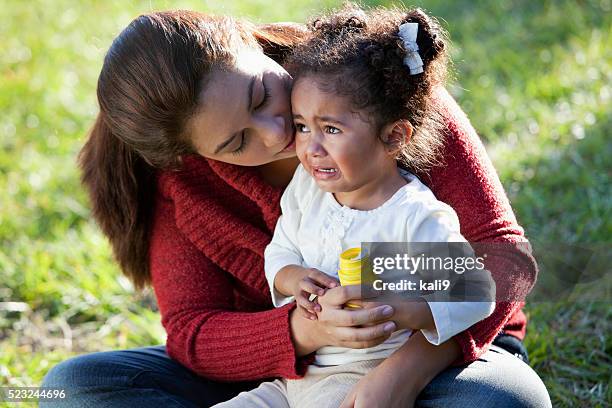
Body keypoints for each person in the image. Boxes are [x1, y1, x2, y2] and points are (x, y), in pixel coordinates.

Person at [41, 5, 551, 407]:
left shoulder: (375, 82)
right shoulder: (185, 182)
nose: (277, 130)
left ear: (249, 41)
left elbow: (502, 261)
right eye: (237, 143)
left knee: (506, 399)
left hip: (437, 354)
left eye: (262, 94)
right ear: (189, 155)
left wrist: (405, 373)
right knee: (77, 386)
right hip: (284, 379)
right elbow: (194, 333)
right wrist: (303, 330)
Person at [214, 7, 497, 407]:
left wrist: (402, 309)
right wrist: (295, 279)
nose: (310, 148)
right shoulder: (306, 190)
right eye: (302, 126)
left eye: (331, 129)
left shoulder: (413, 217)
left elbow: (474, 291)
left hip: (364, 375)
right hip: (297, 376)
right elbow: (280, 250)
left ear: (394, 136)